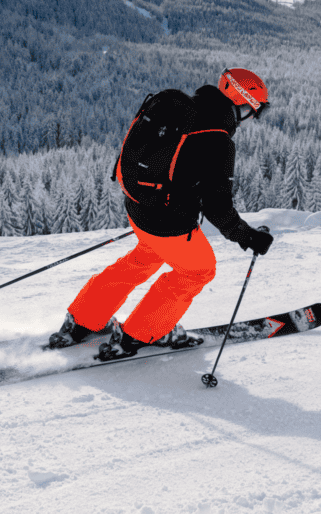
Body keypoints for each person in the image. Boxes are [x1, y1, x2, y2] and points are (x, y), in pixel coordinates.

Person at [49, 67, 275, 359]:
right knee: (198, 270)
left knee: (144, 258)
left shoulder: (178, 108)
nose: (251, 117)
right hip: (168, 222)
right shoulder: (217, 138)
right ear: (239, 100)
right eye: (252, 109)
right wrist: (247, 236)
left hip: (137, 206)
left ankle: (81, 320)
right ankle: (139, 334)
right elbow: (217, 206)